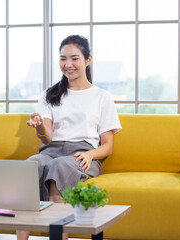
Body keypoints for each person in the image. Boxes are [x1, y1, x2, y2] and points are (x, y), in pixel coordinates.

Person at [17, 35, 122, 240]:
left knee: (59, 166)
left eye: (74, 58)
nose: (68, 64)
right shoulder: (48, 95)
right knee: (30, 166)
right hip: (51, 150)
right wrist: (38, 127)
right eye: (63, 59)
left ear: (88, 59)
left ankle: (58, 237)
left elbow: (108, 146)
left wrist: (91, 154)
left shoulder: (102, 97)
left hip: (82, 153)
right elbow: (46, 139)